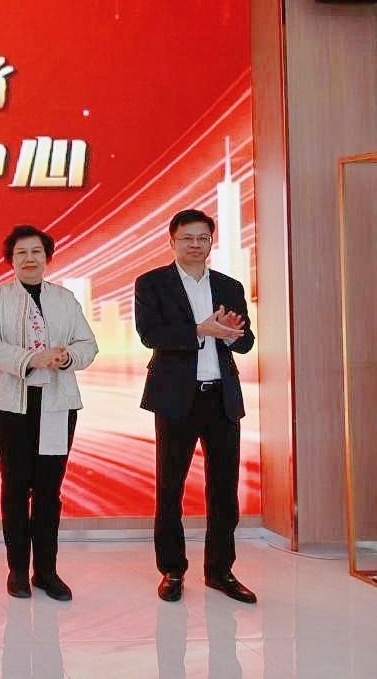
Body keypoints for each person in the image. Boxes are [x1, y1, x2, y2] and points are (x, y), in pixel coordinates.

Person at [134, 209, 257, 604]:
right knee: (170, 487)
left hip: (221, 397)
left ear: (210, 242)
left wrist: (231, 334)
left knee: (224, 488)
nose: (195, 244)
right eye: (187, 238)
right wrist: (200, 330)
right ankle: (172, 570)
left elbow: (246, 341)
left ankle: (220, 571)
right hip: (175, 398)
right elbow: (150, 334)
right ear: (172, 241)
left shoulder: (229, 286)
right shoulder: (152, 283)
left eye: (202, 238)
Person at [0, 224, 98, 600]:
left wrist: (67, 357)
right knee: (15, 487)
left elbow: (88, 344)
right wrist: (32, 359)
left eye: (37, 253)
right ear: (11, 260)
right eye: (21, 253)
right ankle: (17, 571)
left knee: (49, 490)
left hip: (57, 406)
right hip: (8, 406)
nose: (30, 259)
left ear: (47, 258)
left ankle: (46, 572)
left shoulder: (64, 299)